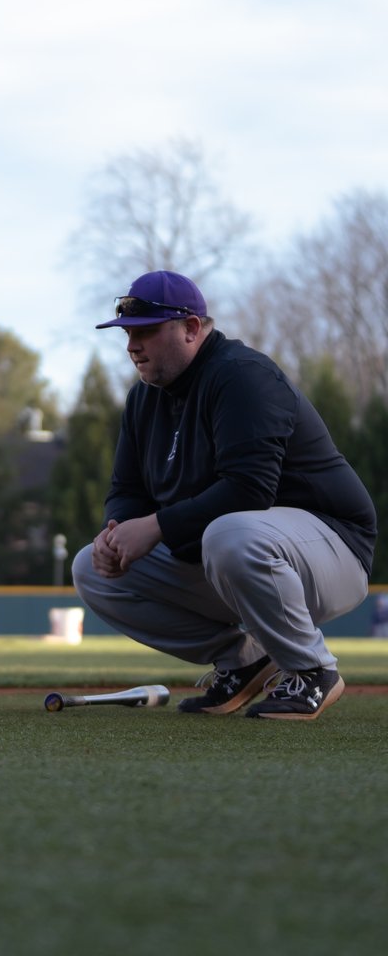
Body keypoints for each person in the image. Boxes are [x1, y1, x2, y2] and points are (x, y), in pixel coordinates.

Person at [71, 271, 376, 721]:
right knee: (91, 569)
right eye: (128, 334)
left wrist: (154, 526)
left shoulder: (242, 376)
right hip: (240, 555)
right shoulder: (144, 400)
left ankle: (312, 669)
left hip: (332, 548)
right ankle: (243, 659)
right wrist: (115, 533)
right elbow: (127, 490)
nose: (133, 345)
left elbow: (249, 489)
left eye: (147, 332)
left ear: (192, 328)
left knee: (230, 532)